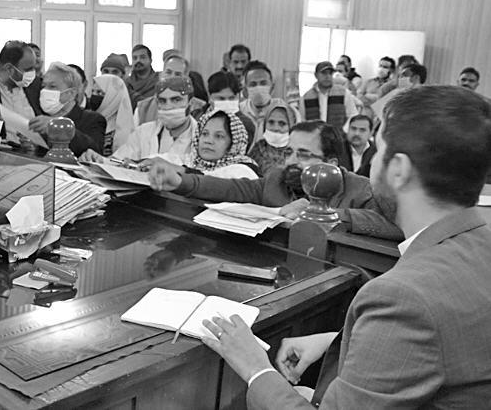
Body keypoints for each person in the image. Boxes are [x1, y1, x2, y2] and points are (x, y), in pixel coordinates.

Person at [200, 85, 491, 409]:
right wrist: (334, 342)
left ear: (399, 170)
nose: (372, 160)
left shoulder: (403, 298)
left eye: (378, 149)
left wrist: (256, 368)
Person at [148, 121, 401, 239]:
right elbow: (230, 188)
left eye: (303, 155)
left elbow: (396, 226)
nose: (291, 161)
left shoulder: (360, 189)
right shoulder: (278, 180)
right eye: (289, 152)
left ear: (331, 163)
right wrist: (180, 182)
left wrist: (325, 215)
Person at [80, 76, 196, 165]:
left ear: (190, 104)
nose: (168, 106)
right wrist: (99, 160)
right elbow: (119, 162)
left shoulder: (200, 136)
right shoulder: (143, 132)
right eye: (162, 101)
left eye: (176, 100)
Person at [29, 62, 105, 156]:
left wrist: (57, 127)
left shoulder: (92, 119)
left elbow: (95, 152)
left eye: (52, 86)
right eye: (43, 86)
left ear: (71, 93)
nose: (45, 91)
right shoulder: (41, 118)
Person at [181, 109, 259, 179]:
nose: (208, 141)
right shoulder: (187, 162)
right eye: (204, 134)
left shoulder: (242, 172)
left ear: (233, 144)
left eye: (219, 136)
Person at [239, 61, 299, 144]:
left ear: (272, 87)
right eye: (253, 84)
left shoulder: (289, 112)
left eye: (263, 83)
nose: (259, 88)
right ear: (245, 89)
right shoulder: (238, 111)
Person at [299, 61, 358, 130]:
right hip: (314, 135)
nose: (328, 76)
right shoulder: (306, 98)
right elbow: (302, 121)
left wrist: (344, 131)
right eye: (324, 73)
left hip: (338, 135)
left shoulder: (344, 93)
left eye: (330, 73)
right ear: (316, 75)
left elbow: (353, 115)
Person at [86, 74, 135, 155]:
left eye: (99, 92)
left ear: (112, 97)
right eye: (92, 92)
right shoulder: (87, 119)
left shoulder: (123, 131)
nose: (94, 96)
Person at [206, 71, 256, 149]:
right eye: (221, 98)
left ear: (238, 97)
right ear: (210, 97)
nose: (227, 102)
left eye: (231, 98)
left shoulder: (245, 125)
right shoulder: (197, 117)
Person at [247, 101, 296, 176]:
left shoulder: (297, 153)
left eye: (282, 123)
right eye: (271, 122)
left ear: (291, 127)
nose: (275, 128)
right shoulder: (256, 150)